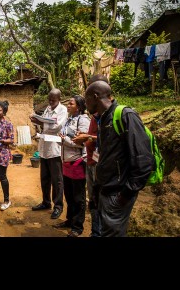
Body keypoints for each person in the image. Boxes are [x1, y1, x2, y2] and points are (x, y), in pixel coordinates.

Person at [84, 81, 155, 237]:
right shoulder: (104, 119)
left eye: (86, 98)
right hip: (106, 191)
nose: (85, 103)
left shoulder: (125, 115)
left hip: (117, 194)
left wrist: (126, 194)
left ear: (95, 97)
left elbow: (144, 160)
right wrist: (96, 190)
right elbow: (105, 159)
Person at [70, 74, 109, 237]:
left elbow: (110, 139)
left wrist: (88, 137)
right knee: (93, 201)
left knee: (102, 203)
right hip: (92, 161)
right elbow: (97, 135)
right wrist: (87, 135)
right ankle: (95, 232)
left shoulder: (112, 115)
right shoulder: (96, 115)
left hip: (103, 166)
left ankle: (100, 232)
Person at [30, 88, 68, 219]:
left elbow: (56, 127)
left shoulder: (63, 110)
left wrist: (41, 122)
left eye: (53, 100)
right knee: (45, 178)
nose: (51, 102)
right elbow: (46, 125)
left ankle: (58, 206)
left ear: (59, 99)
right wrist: (37, 122)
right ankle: (46, 202)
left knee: (57, 180)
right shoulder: (48, 109)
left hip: (55, 149)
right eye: (49, 99)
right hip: (44, 148)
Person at [56, 95, 90, 237]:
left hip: (77, 162)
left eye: (71, 104)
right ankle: (70, 220)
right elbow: (65, 138)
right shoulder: (69, 119)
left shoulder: (83, 120)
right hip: (66, 163)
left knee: (78, 197)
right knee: (69, 195)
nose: (68, 106)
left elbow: (82, 143)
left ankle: (77, 227)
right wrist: (59, 139)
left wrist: (65, 141)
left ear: (79, 107)